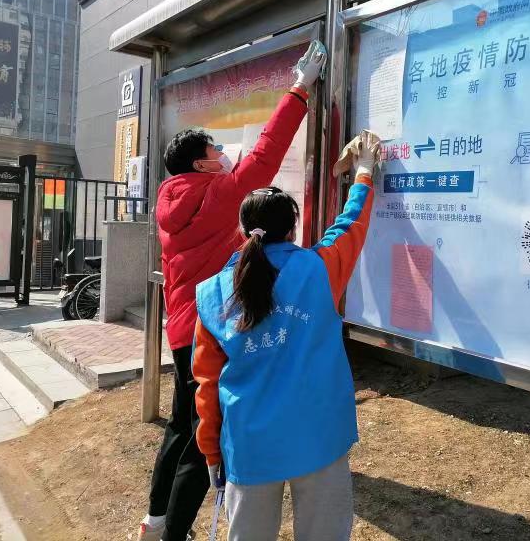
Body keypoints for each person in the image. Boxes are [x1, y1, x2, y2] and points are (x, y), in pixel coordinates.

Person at [137, 42, 327, 541]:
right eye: (214, 151)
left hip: (181, 326)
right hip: (208, 328)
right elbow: (265, 157)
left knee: (181, 425)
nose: (222, 154)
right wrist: (299, 87)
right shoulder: (216, 196)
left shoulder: (170, 200)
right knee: (203, 439)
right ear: (200, 165)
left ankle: (154, 521)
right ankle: (172, 532)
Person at [191, 131, 380, 541]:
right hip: (320, 437)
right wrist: (364, 172)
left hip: (249, 447)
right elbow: (350, 226)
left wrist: (211, 450)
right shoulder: (319, 269)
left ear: (243, 231)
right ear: (293, 229)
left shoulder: (212, 293)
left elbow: (206, 383)